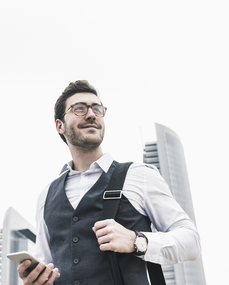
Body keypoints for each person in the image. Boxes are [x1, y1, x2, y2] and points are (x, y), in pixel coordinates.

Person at [18, 80, 201, 285]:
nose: (91, 114)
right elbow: (47, 265)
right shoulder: (46, 196)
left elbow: (190, 241)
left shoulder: (139, 176)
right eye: (79, 108)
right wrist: (37, 280)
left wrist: (136, 241)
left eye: (97, 109)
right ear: (60, 126)